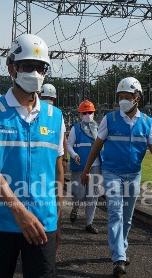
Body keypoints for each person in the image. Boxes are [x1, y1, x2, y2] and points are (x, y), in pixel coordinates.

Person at [0, 33, 65, 277]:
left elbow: (58, 171)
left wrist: (56, 219)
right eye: (28, 66)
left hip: (42, 219)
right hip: (0, 219)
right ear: (12, 69)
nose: (35, 73)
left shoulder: (55, 116)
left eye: (40, 67)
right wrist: (20, 213)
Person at [81, 77, 152, 277]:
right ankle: (118, 256)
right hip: (112, 172)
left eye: (127, 97)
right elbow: (97, 145)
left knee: (127, 217)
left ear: (138, 98)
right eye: (121, 97)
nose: (123, 101)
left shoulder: (147, 122)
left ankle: (121, 248)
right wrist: (86, 169)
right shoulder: (110, 119)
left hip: (134, 174)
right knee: (116, 212)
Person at [67, 100, 100, 234]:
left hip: (96, 165)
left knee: (93, 195)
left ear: (94, 113)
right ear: (81, 114)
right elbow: (68, 144)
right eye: (85, 112)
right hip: (80, 165)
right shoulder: (76, 128)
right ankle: (75, 208)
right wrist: (74, 154)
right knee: (79, 193)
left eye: (90, 112)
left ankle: (89, 223)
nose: (88, 115)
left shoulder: (98, 128)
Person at [40, 83, 69, 174]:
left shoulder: (57, 115)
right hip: (53, 157)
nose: (48, 100)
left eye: (49, 98)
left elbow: (63, 138)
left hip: (44, 157)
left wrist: (64, 159)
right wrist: (65, 159)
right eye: (47, 98)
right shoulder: (58, 114)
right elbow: (64, 138)